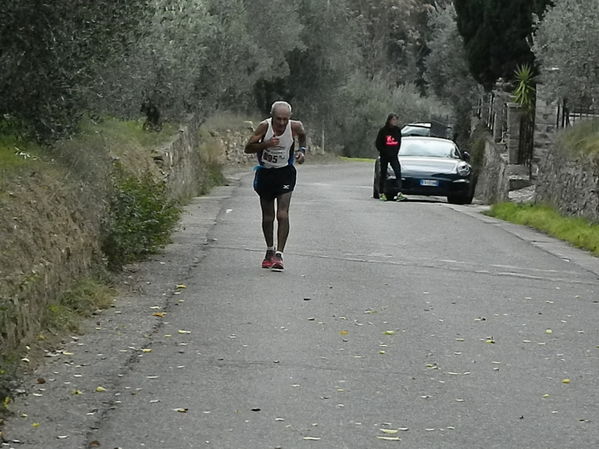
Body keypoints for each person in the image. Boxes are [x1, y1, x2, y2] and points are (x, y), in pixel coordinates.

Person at [244, 101, 307, 271]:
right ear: (272, 116)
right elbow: (248, 148)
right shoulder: (264, 127)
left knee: (282, 214)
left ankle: (279, 255)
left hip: (285, 172)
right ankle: (269, 250)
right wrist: (266, 144)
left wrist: (302, 150)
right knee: (268, 217)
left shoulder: (295, 126)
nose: (281, 123)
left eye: (285, 119)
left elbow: (302, 136)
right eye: (278, 119)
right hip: (265, 173)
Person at [375, 113, 406, 201]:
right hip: (384, 156)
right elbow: (378, 144)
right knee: (383, 174)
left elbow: (398, 143)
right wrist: (384, 152)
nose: (395, 122)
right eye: (393, 120)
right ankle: (381, 193)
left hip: (394, 156)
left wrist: (395, 152)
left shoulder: (397, 131)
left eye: (396, 120)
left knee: (398, 172)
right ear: (389, 120)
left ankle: (399, 192)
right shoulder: (383, 131)